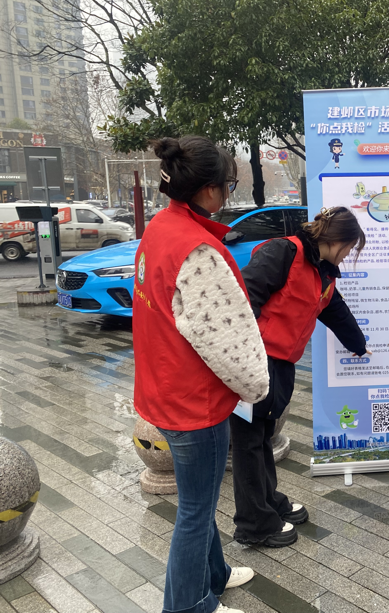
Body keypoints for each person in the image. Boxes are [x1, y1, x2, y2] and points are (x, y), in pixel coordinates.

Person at [133, 136, 270, 613]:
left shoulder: (160, 229)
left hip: (162, 390)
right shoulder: (198, 251)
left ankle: (216, 574)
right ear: (210, 192)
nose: (229, 194)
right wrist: (258, 387)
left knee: (200, 497)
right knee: (195, 510)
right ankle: (188, 606)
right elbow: (227, 342)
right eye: (229, 185)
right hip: (195, 403)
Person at [232, 206, 368, 548]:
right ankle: (254, 524)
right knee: (248, 443)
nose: (350, 255)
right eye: (351, 248)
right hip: (254, 360)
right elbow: (246, 295)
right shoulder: (285, 252)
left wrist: (358, 344)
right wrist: (245, 355)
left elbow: (334, 310)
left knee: (263, 435)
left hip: (280, 365)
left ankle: (270, 502)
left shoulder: (323, 272)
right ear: (339, 241)